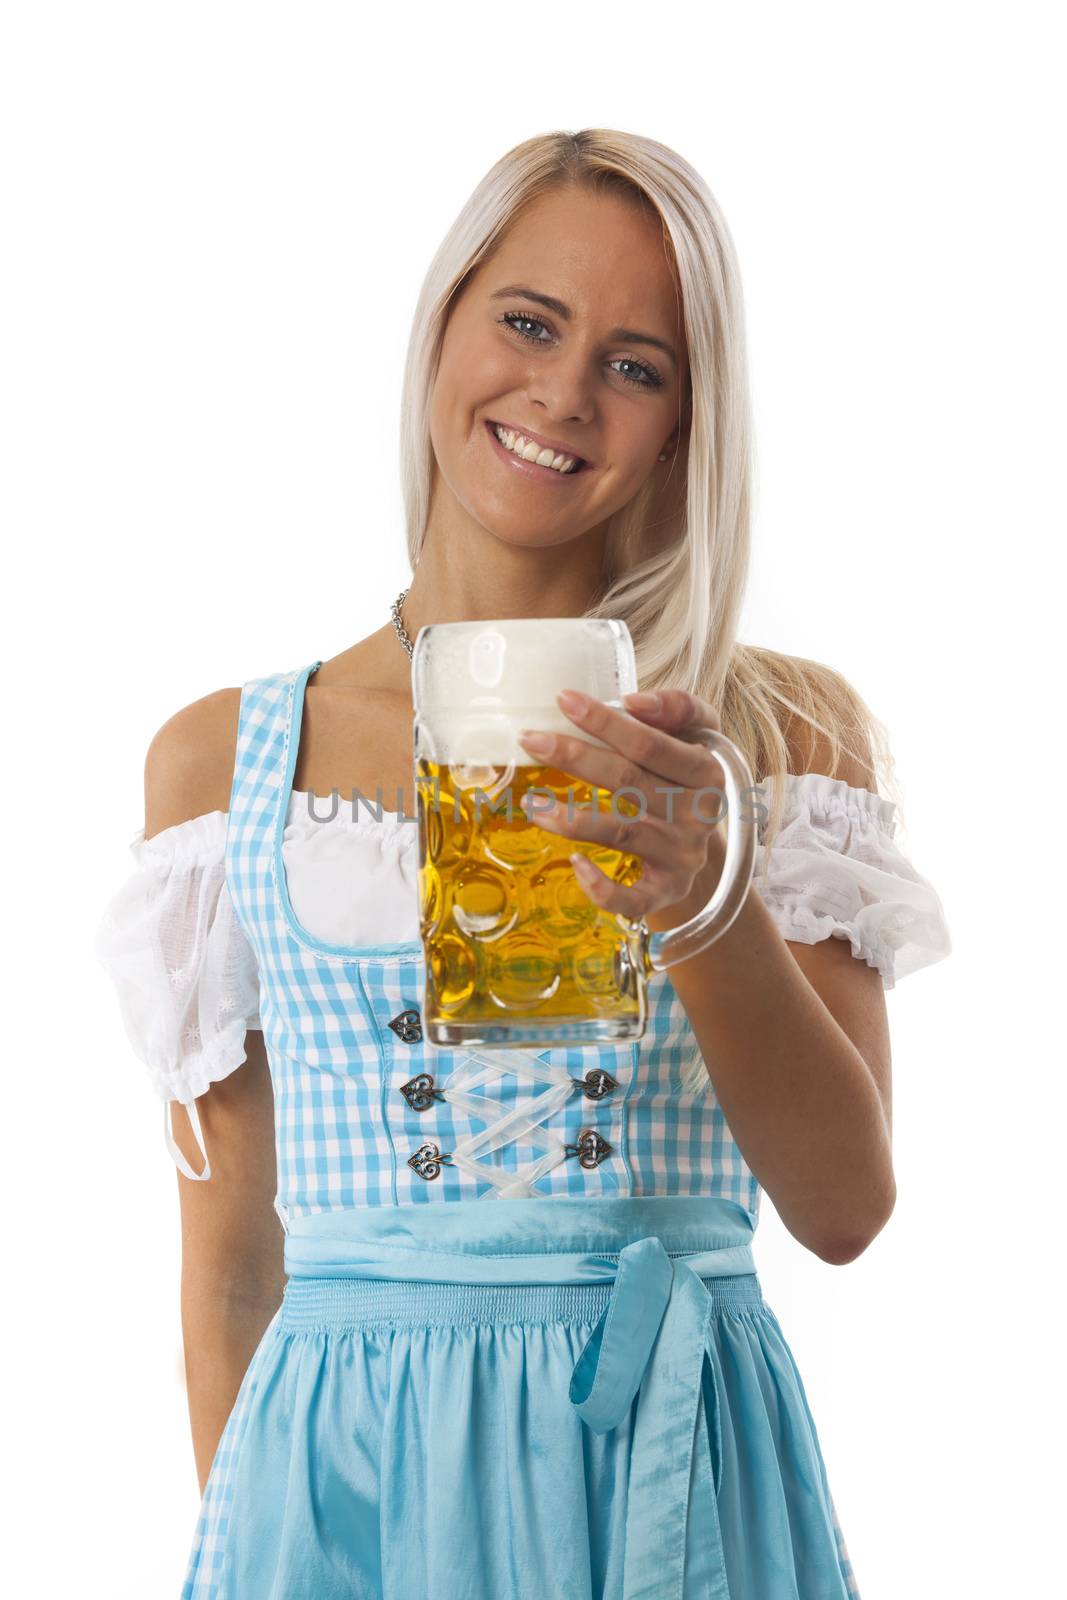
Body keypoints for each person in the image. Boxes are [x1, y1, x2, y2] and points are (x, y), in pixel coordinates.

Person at [96, 128, 952, 1599]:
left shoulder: (778, 734)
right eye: (530, 322)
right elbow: (233, 1265)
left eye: (638, 364)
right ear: (444, 323)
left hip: (671, 1457)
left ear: (688, 422)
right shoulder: (227, 758)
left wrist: (705, 896)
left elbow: (845, 1207)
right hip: (345, 1483)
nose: (562, 396)